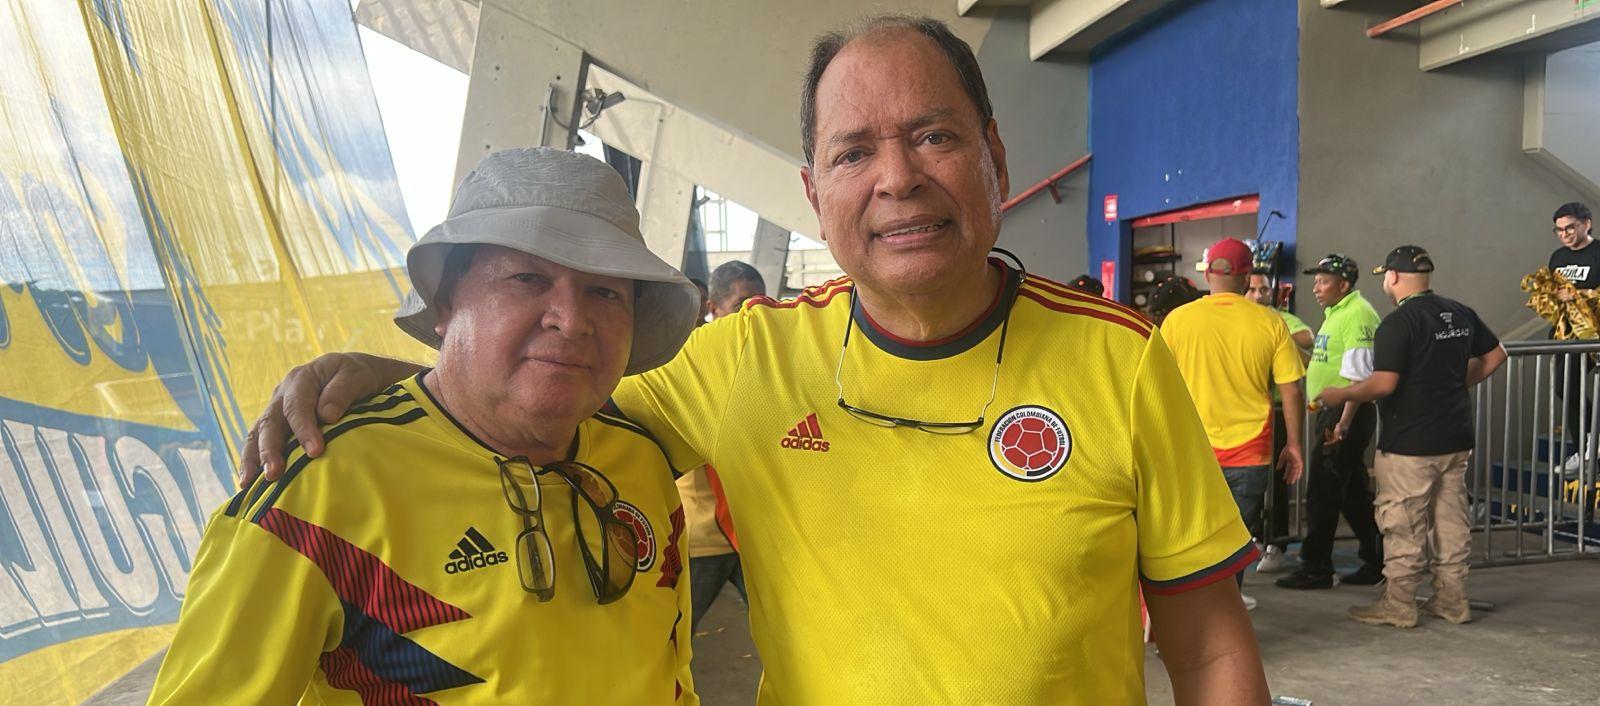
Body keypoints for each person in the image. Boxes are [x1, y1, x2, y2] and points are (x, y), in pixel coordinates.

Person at [243, 15, 1270, 704]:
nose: (898, 180)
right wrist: (414, 382)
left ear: (995, 159)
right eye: (854, 151)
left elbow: (1208, 637)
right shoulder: (748, 357)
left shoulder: (1119, 357)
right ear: (813, 187)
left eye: (933, 137)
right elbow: (546, 401)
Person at [150, 148, 702, 703]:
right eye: (528, 277)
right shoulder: (316, 495)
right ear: (444, 304)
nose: (572, 318)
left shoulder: (640, 460)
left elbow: (669, 667)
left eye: (605, 291)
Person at [1318, 246, 1506, 627]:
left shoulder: (1399, 324)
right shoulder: (1458, 312)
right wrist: (1454, 385)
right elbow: (1496, 355)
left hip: (1411, 443)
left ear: (1392, 277)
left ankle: (1400, 603)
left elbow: (1384, 384)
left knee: (1402, 521)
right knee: (1450, 521)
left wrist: (1342, 394)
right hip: (1455, 438)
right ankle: (1452, 601)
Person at [1161, 238, 1306, 611]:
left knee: (1191, 541)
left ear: (1208, 273)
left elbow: (1157, 386)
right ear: (1246, 277)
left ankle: (1187, 627)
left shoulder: (1178, 320)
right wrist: (1293, 445)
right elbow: (1290, 390)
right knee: (1233, 543)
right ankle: (1225, 625)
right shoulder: (1270, 322)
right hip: (1250, 453)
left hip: (1191, 453)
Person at [1275, 253, 1384, 590]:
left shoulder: (1357, 314)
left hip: (1345, 413)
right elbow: (1326, 359)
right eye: (1316, 281)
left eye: (1323, 282)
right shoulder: (1336, 313)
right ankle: (1377, 559)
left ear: (1344, 285)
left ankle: (1317, 566)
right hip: (1333, 413)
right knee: (1351, 493)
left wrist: (1343, 423)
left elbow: (1360, 376)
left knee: (1322, 490)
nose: (1316, 289)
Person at [680, 260, 768, 630]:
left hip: (753, 534)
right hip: (703, 537)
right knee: (671, 636)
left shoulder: (771, 362)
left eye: (765, 303)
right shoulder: (687, 363)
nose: (758, 315)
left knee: (787, 628)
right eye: (744, 305)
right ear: (713, 309)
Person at [1245, 271, 1312, 574]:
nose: (1258, 295)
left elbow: (1308, 337)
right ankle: (1255, 537)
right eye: (1252, 290)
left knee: (1278, 478)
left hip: (1276, 411)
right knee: (1249, 481)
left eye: (1263, 290)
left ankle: (1277, 543)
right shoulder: (1236, 320)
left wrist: (1274, 335)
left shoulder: (1280, 319)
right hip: (1245, 414)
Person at [1548, 202, 1599, 474]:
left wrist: (1580, 295)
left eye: (1570, 228)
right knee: (1565, 387)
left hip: (1593, 333)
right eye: (1559, 230)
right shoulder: (1558, 257)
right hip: (1565, 332)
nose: (1565, 234)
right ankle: (1587, 446)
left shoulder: (1598, 253)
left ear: (1586, 224)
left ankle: (1590, 444)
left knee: (1569, 384)